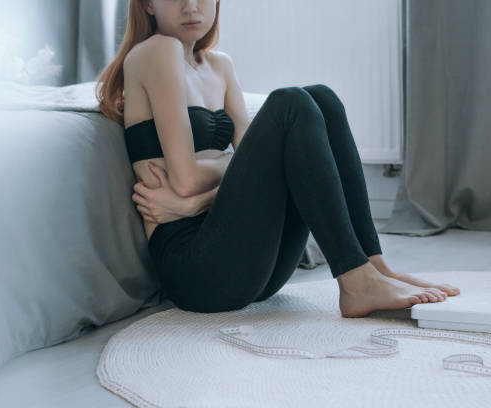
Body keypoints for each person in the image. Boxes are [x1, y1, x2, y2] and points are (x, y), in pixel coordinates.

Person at [97, 0, 460, 317]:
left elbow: (238, 169)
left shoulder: (220, 66)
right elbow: (187, 178)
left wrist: (195, 204)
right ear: (147, 4)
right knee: (290, 103)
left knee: (322, 99)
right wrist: (216, 178)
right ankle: (355, 282)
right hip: (198, 273)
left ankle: (373, 266)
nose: (191, 5)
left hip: (257, 269)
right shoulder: (155, 51)